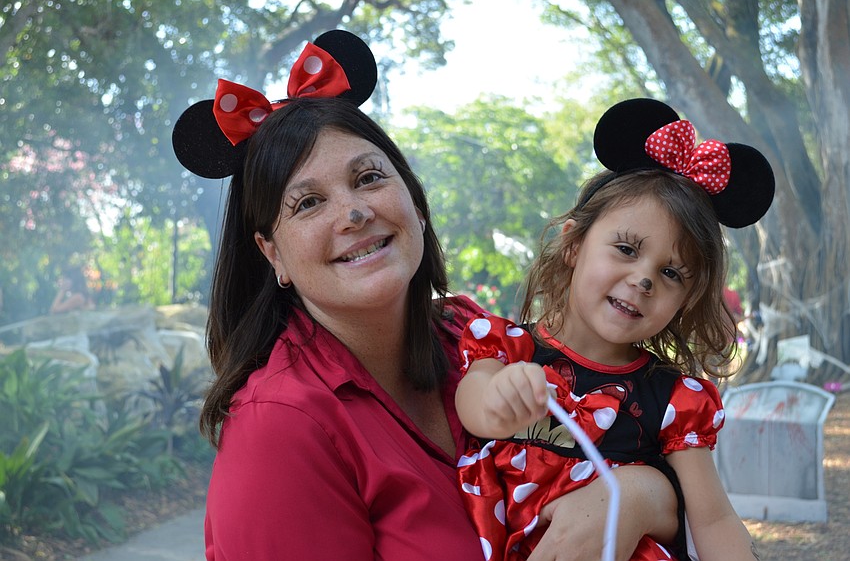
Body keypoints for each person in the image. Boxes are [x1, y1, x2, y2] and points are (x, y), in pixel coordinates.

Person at [172, 32, 681, 560]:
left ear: (415, 201)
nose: (352, 213)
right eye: (307, 204)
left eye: (369, 178)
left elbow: (609, 458)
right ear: (272, 253)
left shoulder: (474, 336)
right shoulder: (281, 425)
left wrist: (638, 493)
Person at [454, 98, 775, 561]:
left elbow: (713, 518)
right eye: (626, 249)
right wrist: (501, 397)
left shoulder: (674, 399)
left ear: (686, 300)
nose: (643, 279)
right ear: (573, 244)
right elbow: (475, 408)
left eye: (671, 273)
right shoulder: (506, 348)